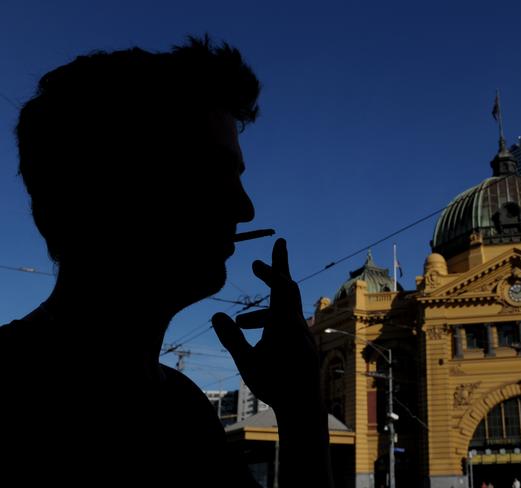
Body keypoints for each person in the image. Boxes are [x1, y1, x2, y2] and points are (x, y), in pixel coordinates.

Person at [1, 36, 333, 486]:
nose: (245, 208)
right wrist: (303, 412)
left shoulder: (183, 407)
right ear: (109, 186)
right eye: (212, 172)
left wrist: (300, 408)